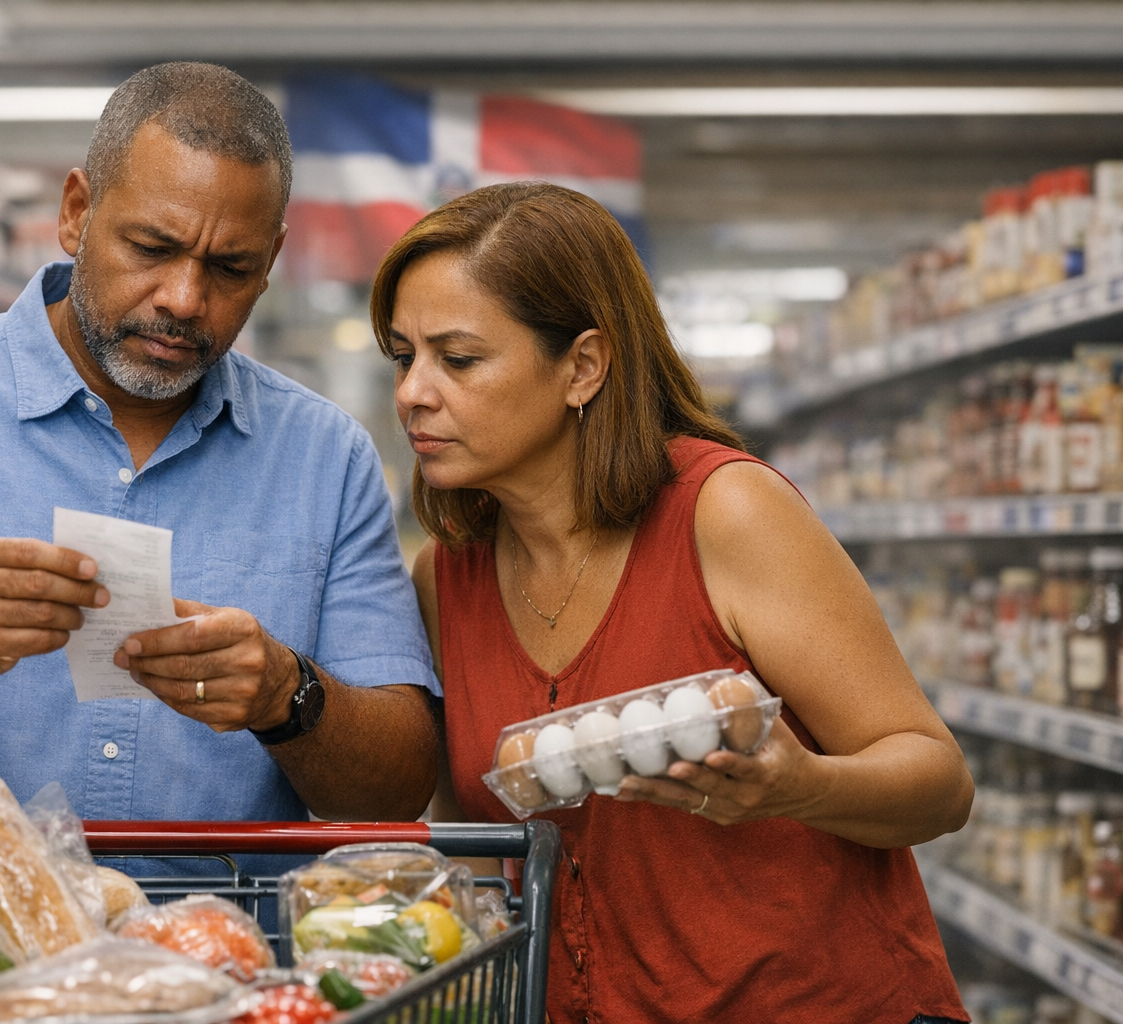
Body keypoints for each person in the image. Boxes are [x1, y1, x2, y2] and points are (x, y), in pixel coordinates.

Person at [0, 63, 439, 878]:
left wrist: (288, 695)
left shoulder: (326, 458)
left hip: (215, 976)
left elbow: (398, 786)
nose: (182, 296)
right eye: (152, 246)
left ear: (272, 262)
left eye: (230, 268)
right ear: (76, 213)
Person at [383, 182, 973, 1023]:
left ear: (582, 366)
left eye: (459, 358)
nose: (413, 392)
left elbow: (939, 783)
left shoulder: (726, 514)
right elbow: (485, 856)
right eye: (403, 357)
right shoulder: (447, 580)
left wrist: (796, 787)